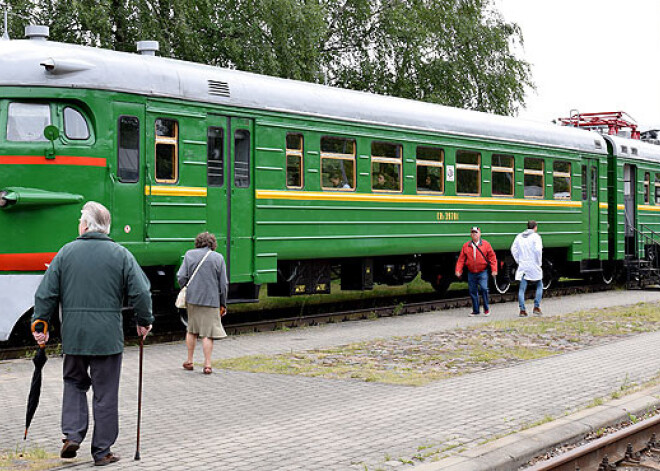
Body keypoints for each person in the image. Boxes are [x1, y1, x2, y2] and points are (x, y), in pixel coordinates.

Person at [31, 201, 153, 466]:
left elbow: (46, 293)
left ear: (85, 225)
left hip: (74, 335)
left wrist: (41, 323)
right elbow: (141, 292)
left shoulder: (65, 253)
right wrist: (143, 321)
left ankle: (72, 435)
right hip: (107, 338)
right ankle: (102, 452)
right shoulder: (121, 254)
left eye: (79, 220)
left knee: (74, 382)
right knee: (105, 392)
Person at [177, 232, 228, 375]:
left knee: (192, 330)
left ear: (198, 242)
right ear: (213, 244)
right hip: (211, 300)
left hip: (192, 299)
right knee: (207, 334)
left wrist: (187, 287)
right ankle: (207, 364)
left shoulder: (189, 255)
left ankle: (189, 361)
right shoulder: (218, 258)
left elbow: (181, 276)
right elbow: (223, 284)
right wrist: (223, 303)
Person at [455, 226, 498, 316]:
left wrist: (494, 269)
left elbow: (492, 257)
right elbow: (461, 259)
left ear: (480, 234)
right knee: (473, 291)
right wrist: (458, 270)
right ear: (471, 234)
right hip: (471, 273)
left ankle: (486, 309)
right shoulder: (466, 246)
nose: (474, 234)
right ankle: (476, 310)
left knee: (484, 289)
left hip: (482, 271)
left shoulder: (486, 244)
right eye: (473, 232)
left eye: (476, 232)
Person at [511, 220, 544, 317]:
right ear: (535, 227)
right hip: (533, 264)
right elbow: (538, 250)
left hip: (523, 265)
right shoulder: (536, 237)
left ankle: (522, 310)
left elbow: (513, 249)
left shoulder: (519, 236)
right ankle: (536, 307)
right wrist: (539, 262)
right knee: (539, 285)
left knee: (522, 289)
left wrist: (519, 260)